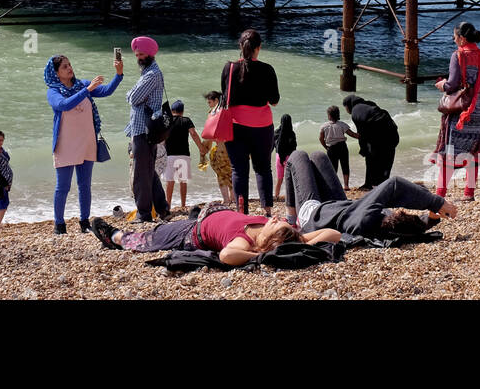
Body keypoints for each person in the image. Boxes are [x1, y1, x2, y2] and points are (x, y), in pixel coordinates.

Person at [283, 149, 456, 237]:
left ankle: (292, 219)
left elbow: (394, 184)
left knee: (298, 156)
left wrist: (436, 202)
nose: (395, 211)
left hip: (313, 217)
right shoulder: (385, 222)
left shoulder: (367, 217)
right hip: (342, 208)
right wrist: (431, 219)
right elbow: (414, 227)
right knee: (319, 156)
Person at [91, 207, 340, 266]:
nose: (276, 218)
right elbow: (334, 234)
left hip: (191, 234)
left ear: (270, 241)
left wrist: (261, 254)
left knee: (149, 239)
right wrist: (304, 239)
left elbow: (227, 255)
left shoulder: (245, 243)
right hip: (209, 215)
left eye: (276, 224)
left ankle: (115, 236)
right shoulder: (282, 234)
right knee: (167, 227)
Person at [47, 52, 123, 234]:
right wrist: (87, 90)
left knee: (84, 184)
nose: (69, 68)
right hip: (65, 144)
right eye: (64, 66)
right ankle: (59, 225)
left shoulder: (82, 83)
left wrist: (118, 75)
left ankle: (84, 222)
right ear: (56, 73)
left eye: (69, 64)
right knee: (63, 187)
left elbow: (106, 91)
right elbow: (64, 105)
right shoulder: (53, 91)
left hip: (87, 141)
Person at [220, 29, 280, 216]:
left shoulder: (229, 68)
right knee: (263, 168)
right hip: (262, 127)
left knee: (239, 170)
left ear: (240, 46)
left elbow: (225, 98)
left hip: (236, 126)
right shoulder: (267, 69)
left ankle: (241, 212)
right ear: (259, 48)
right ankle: (267, 210)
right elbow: (274, 101)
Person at [430, 21, 480, 201]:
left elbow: (452, 85)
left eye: (455, 36)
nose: (453, 39)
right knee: (474, 152)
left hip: (462, 113)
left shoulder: (458, 55)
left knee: (450, 153)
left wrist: (442, 84)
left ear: (462, 39)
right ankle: (468, 194)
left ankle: (440, 195)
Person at [125, 36, 170, 223]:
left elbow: (134, 98)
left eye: (142, 54)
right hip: (145, 129)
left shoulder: (151, 74)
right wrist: (133, 93)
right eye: (136, 54)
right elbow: (136, 96)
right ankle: (162, 209)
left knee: (141, 173)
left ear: (150, 54)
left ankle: (144, 213)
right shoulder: (148, 72)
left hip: (144, 129)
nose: (139, 57)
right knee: (149, 171)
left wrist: (130, 93)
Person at [341, 94, 398, 190]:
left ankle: (370, 184)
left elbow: (361, 133)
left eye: (345, 108)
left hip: (379, 134)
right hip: (392, 132)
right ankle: (384, 184)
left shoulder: (355, 112)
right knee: (387, 159)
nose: (346, 110)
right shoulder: (369, 104)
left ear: (348, 105)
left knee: (370, 158)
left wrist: (363, 149)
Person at [162, 101, 205, 211]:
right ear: (182, 111)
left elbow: (162, 138)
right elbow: (193, 134)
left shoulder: (167, 121)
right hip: (183, 155)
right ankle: (183, 205)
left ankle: (168, 205)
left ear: (172, 111)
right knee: (183, 181)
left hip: (170, 155)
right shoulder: (186, 120)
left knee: (170, 181)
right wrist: (201, 148)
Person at [200, 90, 234, 204]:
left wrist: (203, 151)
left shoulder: (214, 114)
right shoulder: (228, 112)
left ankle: (226, 200)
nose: (209, 105)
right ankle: (233, 198)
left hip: (220, 150)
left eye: (210, 102)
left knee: (221, 176)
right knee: (231, 174)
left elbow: (210, 136)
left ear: (216, 101)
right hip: (231, 149)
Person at [318, 105, 356, 190]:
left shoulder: (324, 126)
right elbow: (352, 134)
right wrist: (360, 136)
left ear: (329, 116)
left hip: (331, 148)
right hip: (342, 147)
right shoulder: (342, 124)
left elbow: (321, 138)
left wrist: (326, 147)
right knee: (345, 165)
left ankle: (334, 185)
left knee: (333, 168)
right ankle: (346, 185)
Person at [272, 113, 297, 203]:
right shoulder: (291, 133)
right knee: (289, 179)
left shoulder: (276, 132)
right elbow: (294, 147)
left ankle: (276, 196)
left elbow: (273, 145)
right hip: (289, 158)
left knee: (279, 179)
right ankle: (291, 196)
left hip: (279, 157)